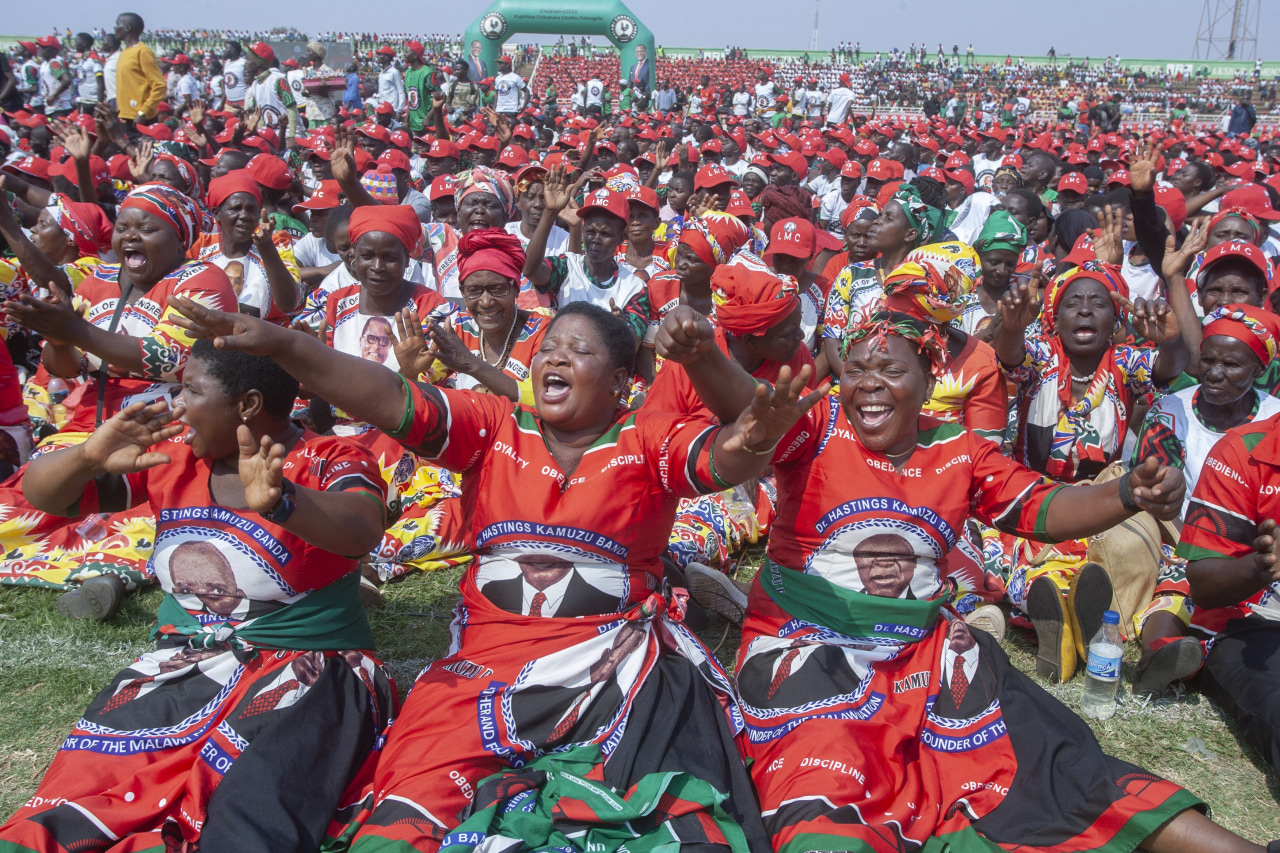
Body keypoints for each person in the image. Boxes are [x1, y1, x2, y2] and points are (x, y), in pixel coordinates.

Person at [169, 296, 826, 853]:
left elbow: (723, 460)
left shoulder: (646, 436)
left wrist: (757, 433)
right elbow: (385, 396)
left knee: (671, 813)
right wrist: (287, 344)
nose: (552, 358)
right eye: (546, 347)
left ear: (623, 382)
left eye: (577, 349)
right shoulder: (494, 426)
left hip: (616, 666)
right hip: (484, 666)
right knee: (404, 811)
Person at [656, 306, 1263, 853]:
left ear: (928, 385)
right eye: (857, 368)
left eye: (889, 371)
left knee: (1056, 764)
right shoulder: (818, 428)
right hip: (808, 644)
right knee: (826, 778)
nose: (868, 382)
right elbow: (749, 406)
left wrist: (1128, 491)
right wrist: (703, 354)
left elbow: (1042, 508)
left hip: (928, 651)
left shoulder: (960, 449)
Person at [0, 342, 395, 853]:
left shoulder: (330, 458)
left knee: (249, 815)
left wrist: (283, 501)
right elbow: (43, 495)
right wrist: (88, 455)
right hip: (181, 666)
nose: (177, 403)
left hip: (311, 670)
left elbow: (362, 530)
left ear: (247, 405)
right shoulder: (175, 458)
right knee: (76, 806)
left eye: (191, 389)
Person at [1130, 304, 1280, 696]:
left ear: (1259, 367)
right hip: (1174, 533)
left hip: (1240, 546)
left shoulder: (1273, 418)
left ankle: (1178, 654)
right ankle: (1158, 656)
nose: (1215, 373)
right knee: (1179, 575)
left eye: (1232, 364)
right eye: (1208, 360)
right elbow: (1151, 488)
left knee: (1210, 584)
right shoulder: (1172, 410)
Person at [393, 228, 547, 405]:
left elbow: (544, 396)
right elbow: (418, 394)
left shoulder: (542, 331)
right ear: (462, 292)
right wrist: (409, 373)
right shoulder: (457, 330)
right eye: (473, 291)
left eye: (498, 289)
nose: (486, 302)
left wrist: (472, 364)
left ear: (516, 288)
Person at [188, 173, 302, 321]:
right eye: (236, 208)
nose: (244, 216)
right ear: (216, 213)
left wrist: (266, 248)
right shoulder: (200, 246)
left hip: (265, 341)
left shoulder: (276, 243)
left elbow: (288, 303)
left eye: (251, 209)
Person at [112, 12, 165, 126]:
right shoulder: (124, 53)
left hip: (141, 119)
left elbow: (160, 86)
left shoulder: (143, 51)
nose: (114, 28)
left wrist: (143, 112)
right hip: (125, 118)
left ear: (127, 28)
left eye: (117, 24)